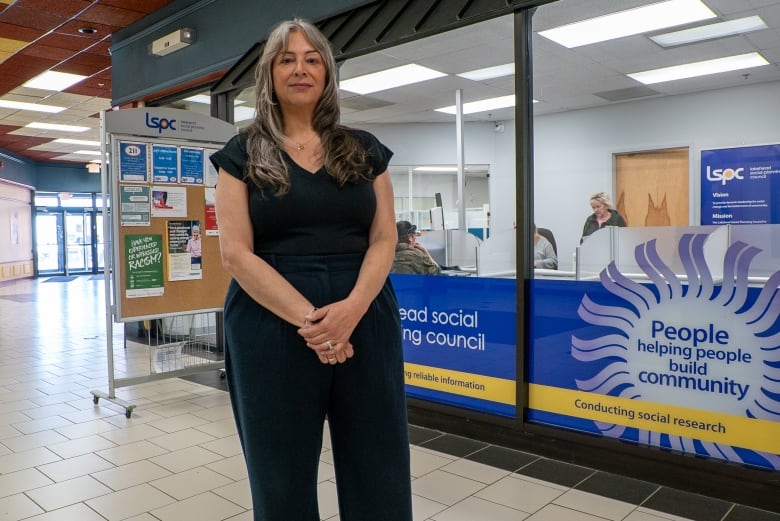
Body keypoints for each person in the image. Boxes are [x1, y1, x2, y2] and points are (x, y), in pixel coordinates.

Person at [209, 19, 412, 521]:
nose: (300, 68)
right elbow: (235, 253)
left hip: (365, 314)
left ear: (327, 72)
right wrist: (318, 325)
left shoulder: (365, 149)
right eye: (286, 59)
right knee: (280, 472)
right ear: (269, 74)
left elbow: (385, 238)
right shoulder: (241, 153)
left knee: (379, 465)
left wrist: (350, 312)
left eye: (312, 58)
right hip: (270, 320)